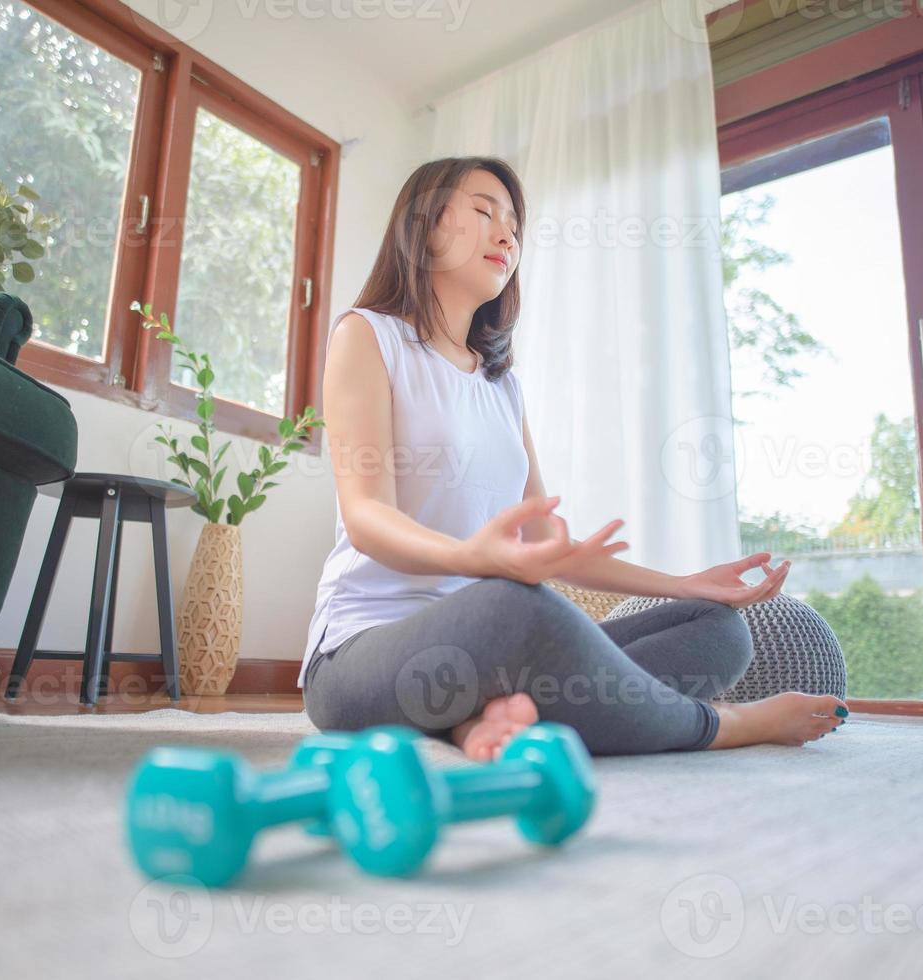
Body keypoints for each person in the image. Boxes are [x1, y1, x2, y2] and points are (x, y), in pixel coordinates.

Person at [301, 156, 848, 761]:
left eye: (514, 224)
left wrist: (684, 584)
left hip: (491, 653)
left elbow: (548, 545)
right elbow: (365, 515)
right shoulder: (368, 336)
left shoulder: (501, 386)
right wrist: (471, 557)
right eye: (484, 212)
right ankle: (726, 724)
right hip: (360, 655)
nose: (507, 234)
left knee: (715, 627)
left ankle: (486, 717)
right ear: (425, 226)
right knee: (515, 606)